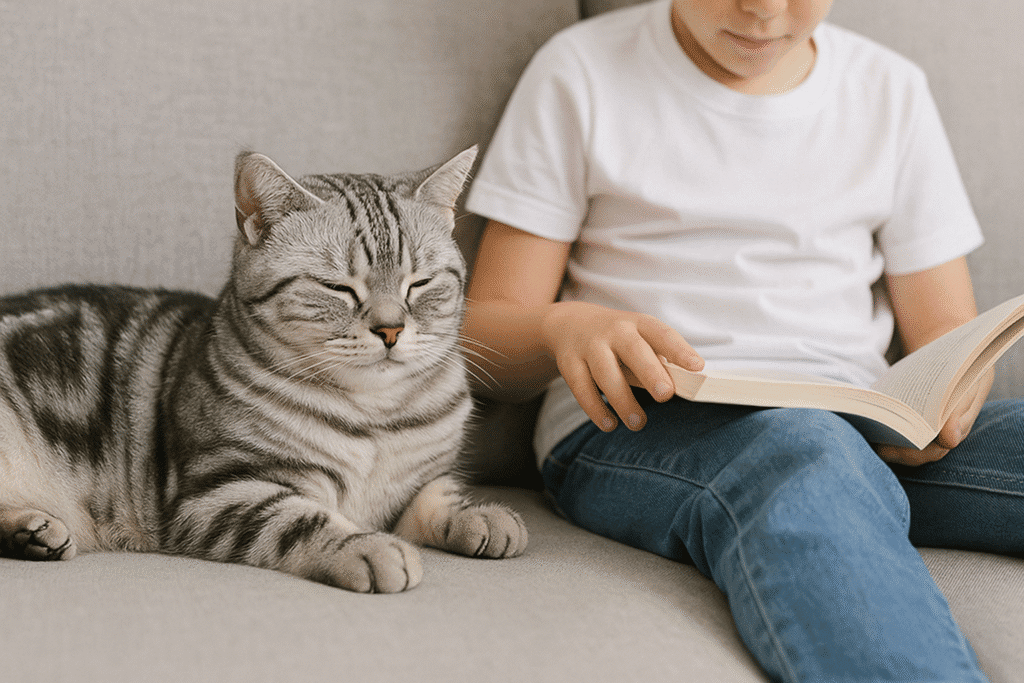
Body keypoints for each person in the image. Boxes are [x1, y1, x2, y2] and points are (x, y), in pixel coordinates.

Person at [462, 0, 1024, 680]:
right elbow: (483, 335)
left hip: (859, 423)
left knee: (837, 444)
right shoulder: (578, 73)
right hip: (641, 422)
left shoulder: (890, 89)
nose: (761, 9)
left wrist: (953, 392)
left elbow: (943, 329)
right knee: (801, 451)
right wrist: (562, 328)